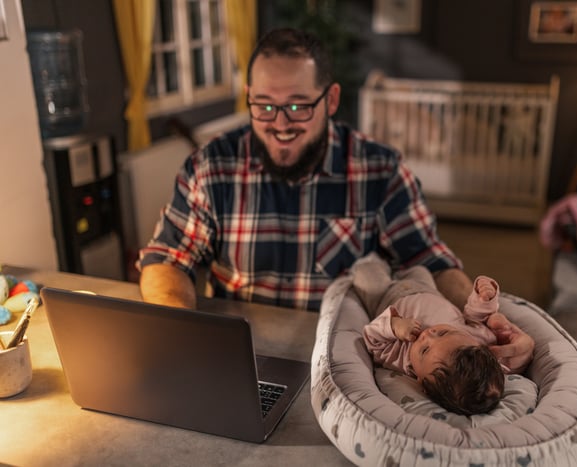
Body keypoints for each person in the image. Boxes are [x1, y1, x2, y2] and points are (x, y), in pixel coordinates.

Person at [137, 27, 534, 372]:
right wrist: (178, 332)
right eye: (264, 105)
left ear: (330, 100)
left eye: (297, 105)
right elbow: (167, 258)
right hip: (240, 354)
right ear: (249, 98)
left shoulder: (380, 170)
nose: (279, 123)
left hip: (350, 355)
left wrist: (489, 319)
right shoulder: (211, 166)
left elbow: (430, 261)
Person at [354, 253, 522, 415]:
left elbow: (373, 338)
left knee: (366, 274)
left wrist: (395, 325)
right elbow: (476, 317)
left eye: (424, 350)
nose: (427, 335)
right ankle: (397, 262)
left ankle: (377, 258)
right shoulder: (477, 339)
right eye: (443, 333)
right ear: (475, 342)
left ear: (422, 383)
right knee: (420, 269)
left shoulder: (402, 360)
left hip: (386, 295)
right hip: (427, 288)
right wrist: (485, 300)